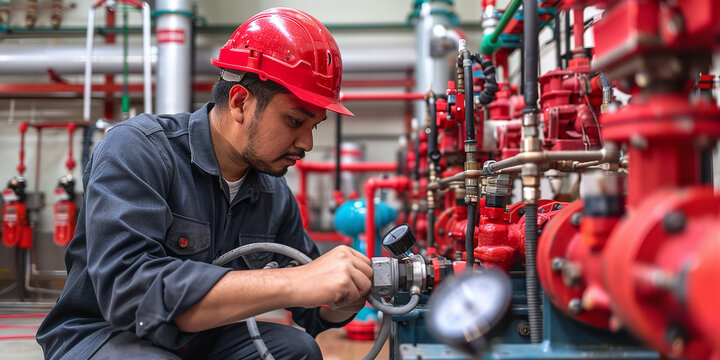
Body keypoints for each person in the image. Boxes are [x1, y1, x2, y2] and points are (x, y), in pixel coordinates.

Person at [37, 8, 373, 360]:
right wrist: (294, 282)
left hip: (203, 338)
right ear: (240, 102)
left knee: (297, 349)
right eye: (294, 121)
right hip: (105, 334)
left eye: (314, 126)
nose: (307, 143)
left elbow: (313, 311)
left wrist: (345, 295)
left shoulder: (274, 195)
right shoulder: (138, 150)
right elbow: (131, 294)